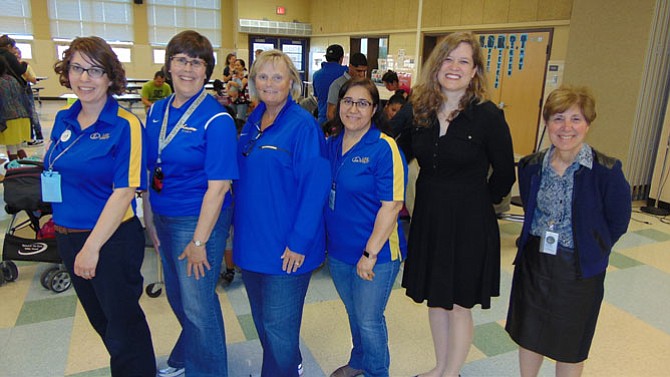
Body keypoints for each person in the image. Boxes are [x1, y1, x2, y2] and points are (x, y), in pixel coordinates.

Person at [401, 32, 516, 377]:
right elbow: (393, 150)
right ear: (436, 67)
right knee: (436, 299)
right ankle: (441, 367)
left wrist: (482, 202)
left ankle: (452, 373)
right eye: (448, 60)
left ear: (475, 70)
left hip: (470, 220)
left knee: (458, 304)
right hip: (430, 216)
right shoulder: (418, 110)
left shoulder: (487, 115)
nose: (454, 67)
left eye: (463, 61)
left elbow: (505, 174)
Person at [46, 36, 156, 376]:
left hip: (109, 241)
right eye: (76, 68)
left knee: (123, 328)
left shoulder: (125, 125)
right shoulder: (65, 118)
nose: (84, 78)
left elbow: (124, 192)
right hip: (69, 237)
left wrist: (92, 247)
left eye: (94, 70)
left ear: (110, 77)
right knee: (103, 323)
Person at [505, 86, 631, 377]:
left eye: (576, 119)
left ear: (588, 124)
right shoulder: (530, 166)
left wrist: (593, 246)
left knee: (571, 341)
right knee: (529, 332)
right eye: (558, 118)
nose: (566, 127)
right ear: (547, 123)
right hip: (535, 264)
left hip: (580, 269)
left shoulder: (606, 170)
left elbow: (618, 220)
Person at [143, 30, 238, 377]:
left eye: (196, 63)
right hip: (164, 217)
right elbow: (153, 168)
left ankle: (210, 371)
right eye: (181, 60)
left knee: (198, 304)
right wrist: (150, 221)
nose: (187, 69)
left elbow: (218, 188)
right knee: (178, 297)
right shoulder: (157, 111)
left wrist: (199, 242)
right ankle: (188, 353)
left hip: (198, 220)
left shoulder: (217, 119)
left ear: (207, 71)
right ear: (169, 65)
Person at [233, 49, 330, 377]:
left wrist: (299, 242)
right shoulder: (252, 121)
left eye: (277, 76)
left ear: (292, 82)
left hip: (288, 246)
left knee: (279, 326)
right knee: (263, 321)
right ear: (253, 82)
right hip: (251, 244)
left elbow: (316, 187)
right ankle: (284, 365)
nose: (269, 83)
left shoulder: (302, 126)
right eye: (262, 76)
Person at [325, 78, 407, 377]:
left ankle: (376, 371)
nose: (354, 109)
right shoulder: (331, 144)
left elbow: (392, 205)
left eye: (363, 103)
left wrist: (369, 254)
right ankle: (358, 360)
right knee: (354, 313)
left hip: (376, 254)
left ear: (374, 109)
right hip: (339, 251)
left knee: (370, 319)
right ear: (339, 105)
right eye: (348, 101)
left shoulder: (385, 148)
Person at [0, 56, 31, 161]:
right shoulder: (12, 79)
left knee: (11, 148)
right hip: (23, 116)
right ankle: (27, 168)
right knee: (18, 147)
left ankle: (14, 172)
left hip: (8, 119)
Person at [15, 47, 44, 145]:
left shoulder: (25, 66)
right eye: (14, 54)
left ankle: (38, 135)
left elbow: (34, 80)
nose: (16, 56)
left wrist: (25, 74)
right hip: (14, 92)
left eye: (18, 54)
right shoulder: (7, 67)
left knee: (31, 112)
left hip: (25, 90)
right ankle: (25, 136)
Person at [327, 52, 368, 121]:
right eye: (359, 71)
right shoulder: (338, 85)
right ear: (350, 67)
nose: (362, 74)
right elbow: (330, 114)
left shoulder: (365, 85)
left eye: (364, 71)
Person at [312, 44, 347, 126]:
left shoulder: (316, 75)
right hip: (340, 122)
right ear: (341, 58)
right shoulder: (346, 73)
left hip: (322, 121)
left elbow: (317, 98)